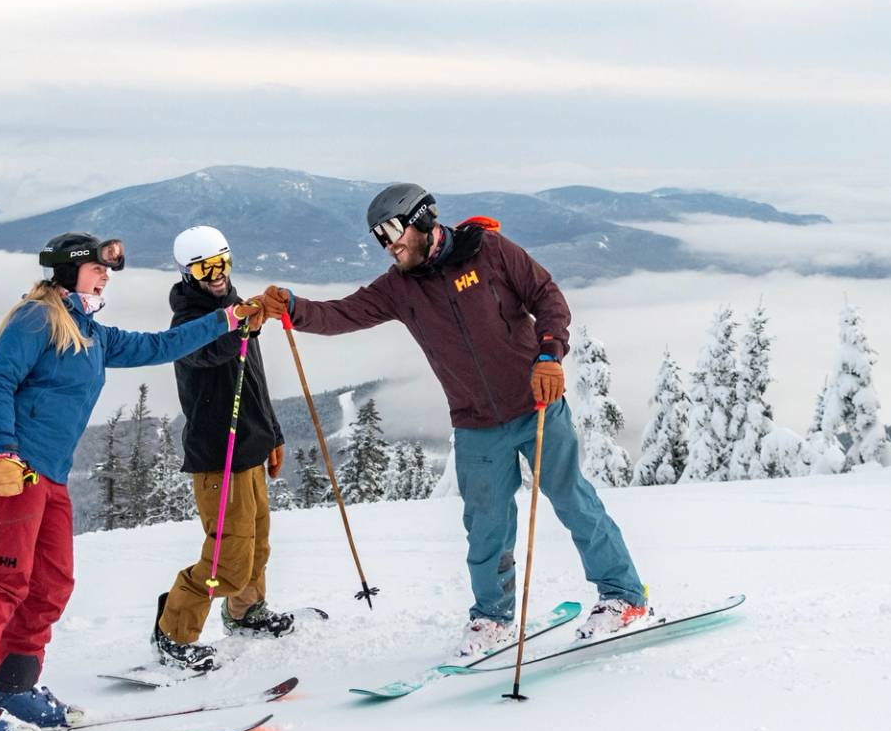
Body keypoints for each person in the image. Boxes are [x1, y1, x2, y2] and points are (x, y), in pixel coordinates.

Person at [250, 184, 647, 658]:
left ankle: (623, 596)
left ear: (421, 220)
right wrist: (294, 307)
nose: (388, 245)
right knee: (486, 526)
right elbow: (343, 314)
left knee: (573, 501)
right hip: (475, 422)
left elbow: (548, 297)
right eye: (379, 238)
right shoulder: (400, 286)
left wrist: (550, 354)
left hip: (536, 402)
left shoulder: (491, 252)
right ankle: (491, 618)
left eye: (394, 232)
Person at [0, 232, 268, 731]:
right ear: (69, 272)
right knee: (2, 583)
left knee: (52, 584)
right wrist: (1, 451)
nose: (105, 275)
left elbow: (161, 345)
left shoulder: (92, 333)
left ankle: (12, 686)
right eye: (96, 268)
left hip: (51, 474)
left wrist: (229, 318)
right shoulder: (36, 318)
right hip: (12, 468)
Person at [151, 226, 293, 674]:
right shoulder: (187, 322)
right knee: (226, 559)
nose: (216, 274)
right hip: (218, 454)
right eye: (205, 267)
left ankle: (245, 612)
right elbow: (208, 352)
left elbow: (254, 379)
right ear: (187, 273)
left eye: (222, 262)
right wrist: (242, 326)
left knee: (257, 546)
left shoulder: (237, 308)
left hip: (250, 445)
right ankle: (173, 633)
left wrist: (273, 434)